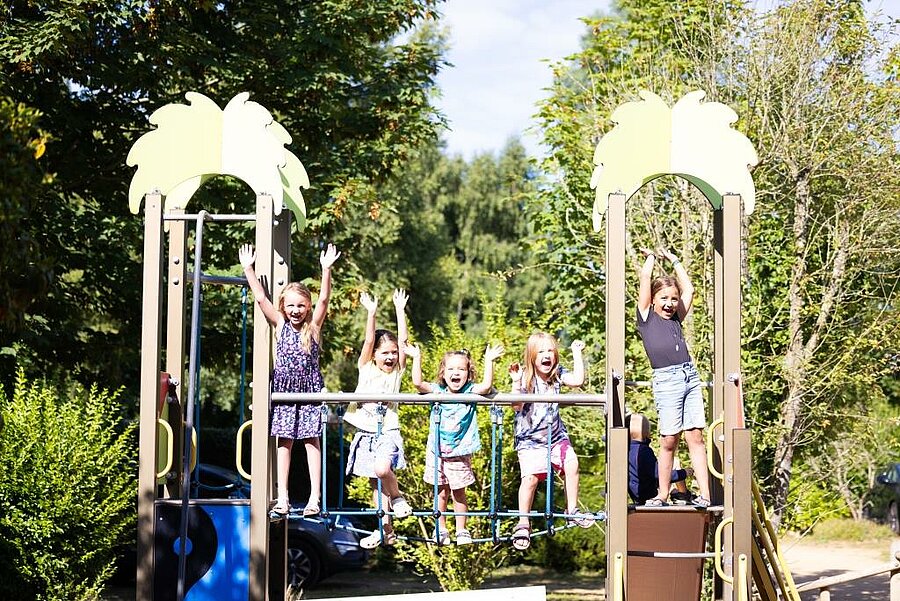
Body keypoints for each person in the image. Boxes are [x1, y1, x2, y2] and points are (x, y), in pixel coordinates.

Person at [239, 242, 341, 516]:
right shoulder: (281, 324)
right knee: (284, 442)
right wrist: (248, 269)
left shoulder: (313, 327)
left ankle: (314, 498)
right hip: (284, 389)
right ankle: (283, 497)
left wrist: (326, 270)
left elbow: (324, 300)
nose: (296, 310)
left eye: (301, 306)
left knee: (311, 441)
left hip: (309, 390)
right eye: (291, 305)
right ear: (283, 307)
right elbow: (261, 298)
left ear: (307, 308)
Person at [406, 343, 504, 546]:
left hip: (459, 452)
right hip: (436, 451)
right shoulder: (437, 391)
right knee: (440, 492)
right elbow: (418, 383)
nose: (456, 373)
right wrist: (416, 357)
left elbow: (486, 386)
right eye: (451, 369)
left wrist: (489, 360)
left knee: (459, 492)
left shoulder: (470, 391)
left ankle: (461, 530)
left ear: (468, 374)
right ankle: (441, 529)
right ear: (443, 373)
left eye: (461, 369)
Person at [636, 248, 711, 508]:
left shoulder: (677, 317)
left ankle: (705, 494)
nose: (669, 303)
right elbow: (645, 279)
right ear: (653, 300)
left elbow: (690, 290)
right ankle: (662, 494)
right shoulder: (646, 318)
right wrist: (651, 258)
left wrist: (674, 259)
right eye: (664, 298)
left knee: (695, 436)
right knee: (669, 439)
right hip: (667, 380)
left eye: (673, 299)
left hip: (689, 376)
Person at [508, 332, 594, 551]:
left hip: (555, 437)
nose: (547, 356)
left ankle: (572, 510)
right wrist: (516, 383)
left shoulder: (557, 374)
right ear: (532, 357)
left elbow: (578, 381)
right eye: (541, 352)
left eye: (550, 351)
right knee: (530, 480)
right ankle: (523, 522)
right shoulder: (526, 377)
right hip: (530, 441)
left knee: (572, 464)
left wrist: (576, 353)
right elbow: (516, 406)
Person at [345, 290, 413, 549]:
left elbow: (404, 342)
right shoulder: (366, 368)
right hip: (365, 434)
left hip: (388, 431)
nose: (390, 357)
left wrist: (399, 310)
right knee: (376, 484)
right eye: (385, 353)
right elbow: (367, 341)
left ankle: (397, 497)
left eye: (393, 353)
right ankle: (385, 530)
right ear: (374, 355)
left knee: (383, 470)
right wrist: (371, 313)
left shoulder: (396, 373)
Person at [625, 413, 694, 505]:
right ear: (647, 433)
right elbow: (658, 474)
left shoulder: (627, 449)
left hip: (636, 492)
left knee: (670, 480)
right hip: (648, 494)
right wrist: (684, 473)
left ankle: (677, 493)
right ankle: (683, 494)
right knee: (674, 464)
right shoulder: (643, 451)